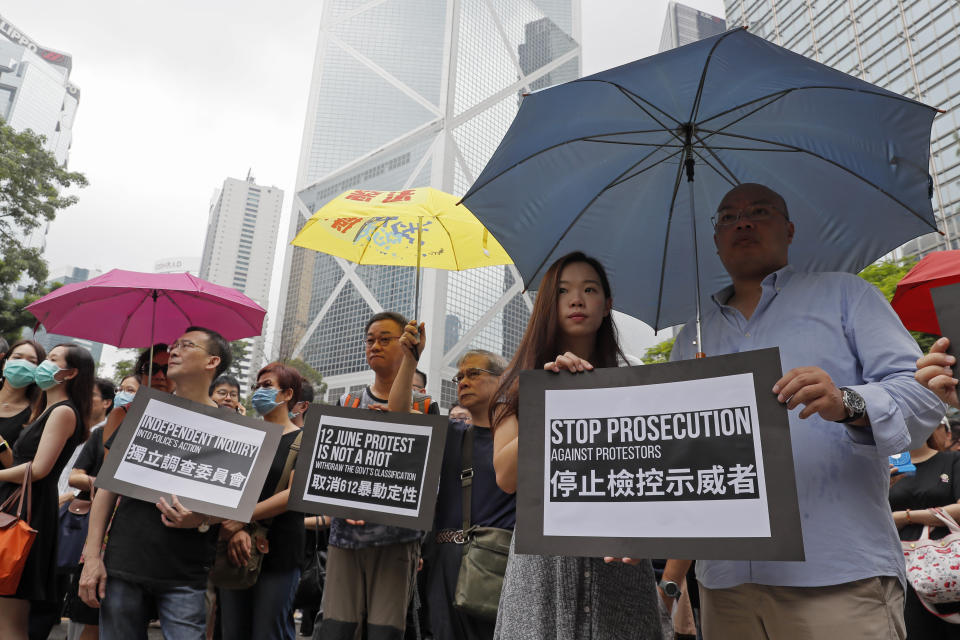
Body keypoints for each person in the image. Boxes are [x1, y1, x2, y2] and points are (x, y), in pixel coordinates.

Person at [667, 183, 944, 639]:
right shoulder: (691, 339)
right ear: (715, 240)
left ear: (790, 230)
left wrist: (847, 402)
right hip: (725, 581)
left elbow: (922, 399)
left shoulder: (847, 297)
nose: (744, 222)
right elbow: (670, 449)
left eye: (760, 211)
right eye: (727, 217)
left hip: (838, 574)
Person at [489, 251, 663, 640]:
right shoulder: (517, 383)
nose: (577, 299)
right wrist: (555, 401)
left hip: (620, 557)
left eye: (590, 289)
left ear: (607, 305)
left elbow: (656, 468)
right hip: (542, 565)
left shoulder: (635, 376)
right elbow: (507, 476)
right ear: (547, 304)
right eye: (563, 290)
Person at [78, 327, 232, 640]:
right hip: (123, 565)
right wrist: (93, 557)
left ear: (212, 361)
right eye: (174, 345)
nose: (174, 351)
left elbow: (237, 506)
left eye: (186, 346)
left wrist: (200, 519)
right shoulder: (144, 412)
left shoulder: (232, 429)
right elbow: (107, 489)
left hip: (186, 574)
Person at [318, 311, 439, 640]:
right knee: (338, 627)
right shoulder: (348, 401)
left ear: (406, 345)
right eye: (370, 340)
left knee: (386, 630)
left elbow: (428, 478)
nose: (375, 346)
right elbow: (330, 467)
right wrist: (342, 505)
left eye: (386, 339)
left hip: (398, 539)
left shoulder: (426, 406)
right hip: (346, 535)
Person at [390, 333, 514, 640]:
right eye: (459, 376)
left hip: (500, 561)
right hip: (445, 560)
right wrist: (410, 358)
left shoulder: (520, 438)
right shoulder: (450, 432)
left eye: (474, 373)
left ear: (502, 381)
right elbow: (398, 415)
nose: (463, 381)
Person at [0, 343, 94, 640]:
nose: (42, 366)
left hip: (26, 511)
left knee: (10, 619)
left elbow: (38, 469)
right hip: (21, 505)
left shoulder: (63, 411)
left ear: (70, 372)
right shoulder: (49, 409)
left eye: (52, 360)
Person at [219, 362, 305, 640]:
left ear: (288, 394)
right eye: (257, 386)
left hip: (281, 550)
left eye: (267, 386)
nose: (259, 392)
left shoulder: (305, 439)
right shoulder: (243, 434)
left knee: (269, 630)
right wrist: (235, 529)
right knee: (233, 630)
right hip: (234, 543)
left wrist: (243, 517)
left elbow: (294, 492)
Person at [889, 417, 960, 638]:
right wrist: (934, 514)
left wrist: (905, 516)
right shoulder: (888, 469)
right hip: (900, 566)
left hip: (950, 565)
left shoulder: (951, 460)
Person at [0, 339, 47, 467]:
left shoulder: (35, 415)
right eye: (17, 357)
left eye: (32, 362)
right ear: (5, 363)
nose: (22, 364)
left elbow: (18, 468)